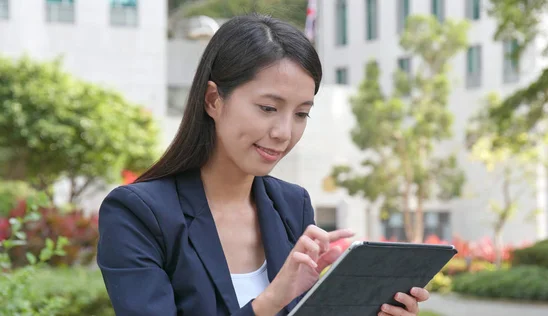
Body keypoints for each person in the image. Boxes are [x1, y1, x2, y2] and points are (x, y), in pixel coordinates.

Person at [96, 14, 430, 316]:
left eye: (301, 114)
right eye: (268, 108)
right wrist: (271, 301)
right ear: (213, 99)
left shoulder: (292, 206)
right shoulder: (138, 214)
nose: (284, 133)